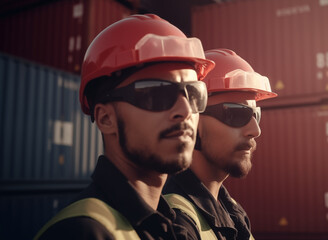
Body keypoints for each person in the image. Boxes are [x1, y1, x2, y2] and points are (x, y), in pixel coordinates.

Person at [34, 14, 215, 240]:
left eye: (194, 94)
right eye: (156, 93)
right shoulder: (80, 232)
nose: (186, 110)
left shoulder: (173, 225)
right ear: (105, 119)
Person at [163, 49, 277, 240]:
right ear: (193, 120)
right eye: (237, 114)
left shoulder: (232, 211)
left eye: (256, 115)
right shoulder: (176, 221)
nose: (255, 130)